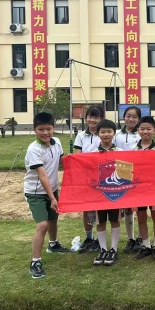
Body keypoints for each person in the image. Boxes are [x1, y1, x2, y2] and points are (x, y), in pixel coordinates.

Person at [25, 112, 69, 278]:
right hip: (36, 192)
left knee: (53, 219)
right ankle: (35, 262)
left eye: (48, 129)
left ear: (53, 128)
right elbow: (42, 175)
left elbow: (62, 161)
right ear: (34, 130)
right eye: (41, 129)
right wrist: (52, 198)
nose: (45, 133)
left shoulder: (56, 142)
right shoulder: (33, 149)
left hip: (52, 188)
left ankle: (53, 244)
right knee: (43, 225)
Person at [132, 116, 155, 261]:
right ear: (138, 130)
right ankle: (146, 245)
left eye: (149, 129)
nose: (145, 132)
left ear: (154, 130)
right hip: (139, 190)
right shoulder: (132, 150)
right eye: (142, 129)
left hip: (154, 189)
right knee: (141, 216)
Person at [74, 105, 104, 254]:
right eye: (90, 117)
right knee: (87, 208)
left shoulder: (104, 134)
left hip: (101, 177)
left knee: (99, 208)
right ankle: (89, 237)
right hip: (86, 177)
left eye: (96, 117)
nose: (92, 120)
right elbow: (78, 155)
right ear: (86, 118)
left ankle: (99, 239)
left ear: (101, 119)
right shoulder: (81, 136)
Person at [92, 119, 122, 266]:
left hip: (115, 193)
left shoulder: (120, 152)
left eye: (109, 131)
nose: (106, 134)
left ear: (114, 133)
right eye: (102, 132)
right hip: (99, 194)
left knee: (115, 220)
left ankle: (114, 249)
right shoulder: (93, 154)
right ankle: (103, 249)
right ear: (98, 134)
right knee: (100, 221)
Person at [114, 106, 142, 254]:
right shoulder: (116, 134)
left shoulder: (141, 133)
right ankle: (131, 238)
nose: (131, 119)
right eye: (128, 116)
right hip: (121, 174)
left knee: (140, 207)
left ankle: (140, 238)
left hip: (138, 174)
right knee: (127, 208)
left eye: (134, 117)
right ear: (123, 117)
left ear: (139, 119)